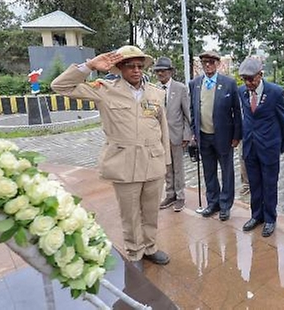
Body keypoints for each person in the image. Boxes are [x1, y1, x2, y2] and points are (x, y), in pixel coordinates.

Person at [50, 45, 171, 268]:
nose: (136, 70)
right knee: (130, 213)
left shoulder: (157, 93)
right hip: (124, 162)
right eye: (130, 66)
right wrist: (88, 66)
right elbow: (60, 86)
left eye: (139, 66)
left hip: (153, 160)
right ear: (119, 68)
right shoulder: (104, 89)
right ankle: (135, 252)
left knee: (151, 210)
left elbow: (162, 127)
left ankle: (150, 247)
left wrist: (166, 162)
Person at [238, 57, 284, 237]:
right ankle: (256, 216)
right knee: (254, 183)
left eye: (250, 79)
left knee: (269, 184)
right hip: (250, 147)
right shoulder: (242, 92)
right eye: (244, 79)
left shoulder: (275, 92)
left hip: (269, 147)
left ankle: (270, 219)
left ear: (260, 75)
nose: (247, 83)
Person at [189, 50, 242, 222]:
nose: (208, 65)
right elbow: (192, 109)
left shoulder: (229, 83)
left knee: (227, 172)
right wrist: (193, 132)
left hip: (224, 137)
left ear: (218, 64)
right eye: (205, 62)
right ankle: (213, 202)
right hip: (203, 136)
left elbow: (237, 112)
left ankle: (225, 205)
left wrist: (236, 135)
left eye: (212, 62)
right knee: (209, 171)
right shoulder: (195, 83)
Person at [153, 57, 192, 212]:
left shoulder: (180, 88)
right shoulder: (154, 89)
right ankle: (170, 195)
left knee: (178, 168)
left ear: (170, 72)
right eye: (158, 71)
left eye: (164, 70)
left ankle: (180, 196)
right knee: (166, 167)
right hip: (160, 136)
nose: (161, 73)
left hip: (177, 135)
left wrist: (187, 135)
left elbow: (187, 114)